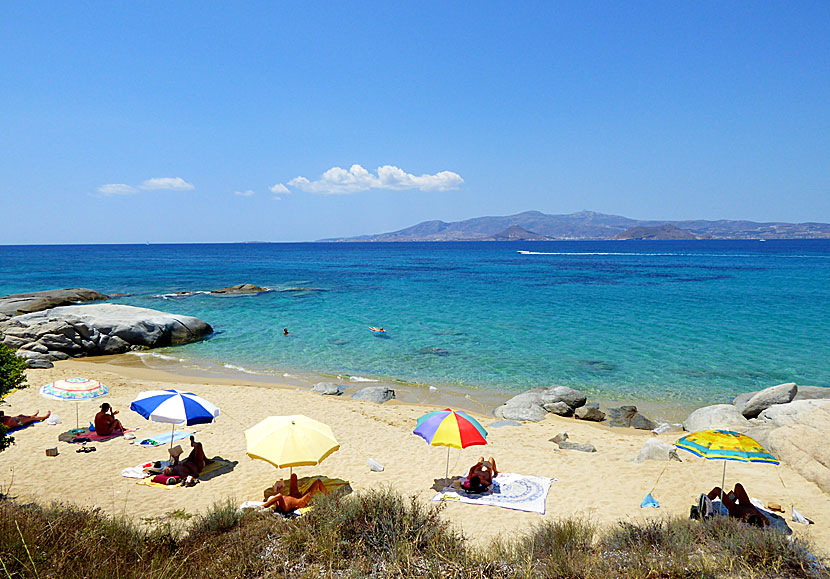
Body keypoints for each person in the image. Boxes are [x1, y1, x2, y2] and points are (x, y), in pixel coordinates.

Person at [704, 483, 769, 527]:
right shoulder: (763, 519)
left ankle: (705, 499)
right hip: (746, 505)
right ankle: (733, 496)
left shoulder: (743, 521)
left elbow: (732, 519)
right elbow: (767, 521)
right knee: (738, 486)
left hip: (734, 508)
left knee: (717, 490)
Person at [262, 473, 327, 512]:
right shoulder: (283, 506)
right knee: (318, 482)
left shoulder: (279, 501)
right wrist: (264, 506)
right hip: (300, 502)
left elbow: (278, 496)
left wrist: (278, 489)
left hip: (293, 495)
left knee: (293, 475)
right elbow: (279, 496)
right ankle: (329, 497)